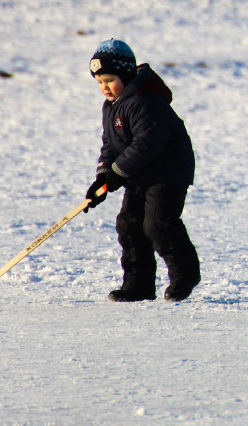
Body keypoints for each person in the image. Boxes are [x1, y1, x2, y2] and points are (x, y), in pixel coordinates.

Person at [84, 39, 201, 302]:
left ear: (125, 75)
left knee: (157, 224)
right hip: (138, 174)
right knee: (129, 224)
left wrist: (117, 172)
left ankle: (185, 275)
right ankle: (139, 285)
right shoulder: (112, 106)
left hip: (167, 172)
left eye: (109, 80)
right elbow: (110, 144)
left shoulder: (145, 102)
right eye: (99, 82)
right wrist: (103, 176)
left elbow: (147, 145)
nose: (104, 87)